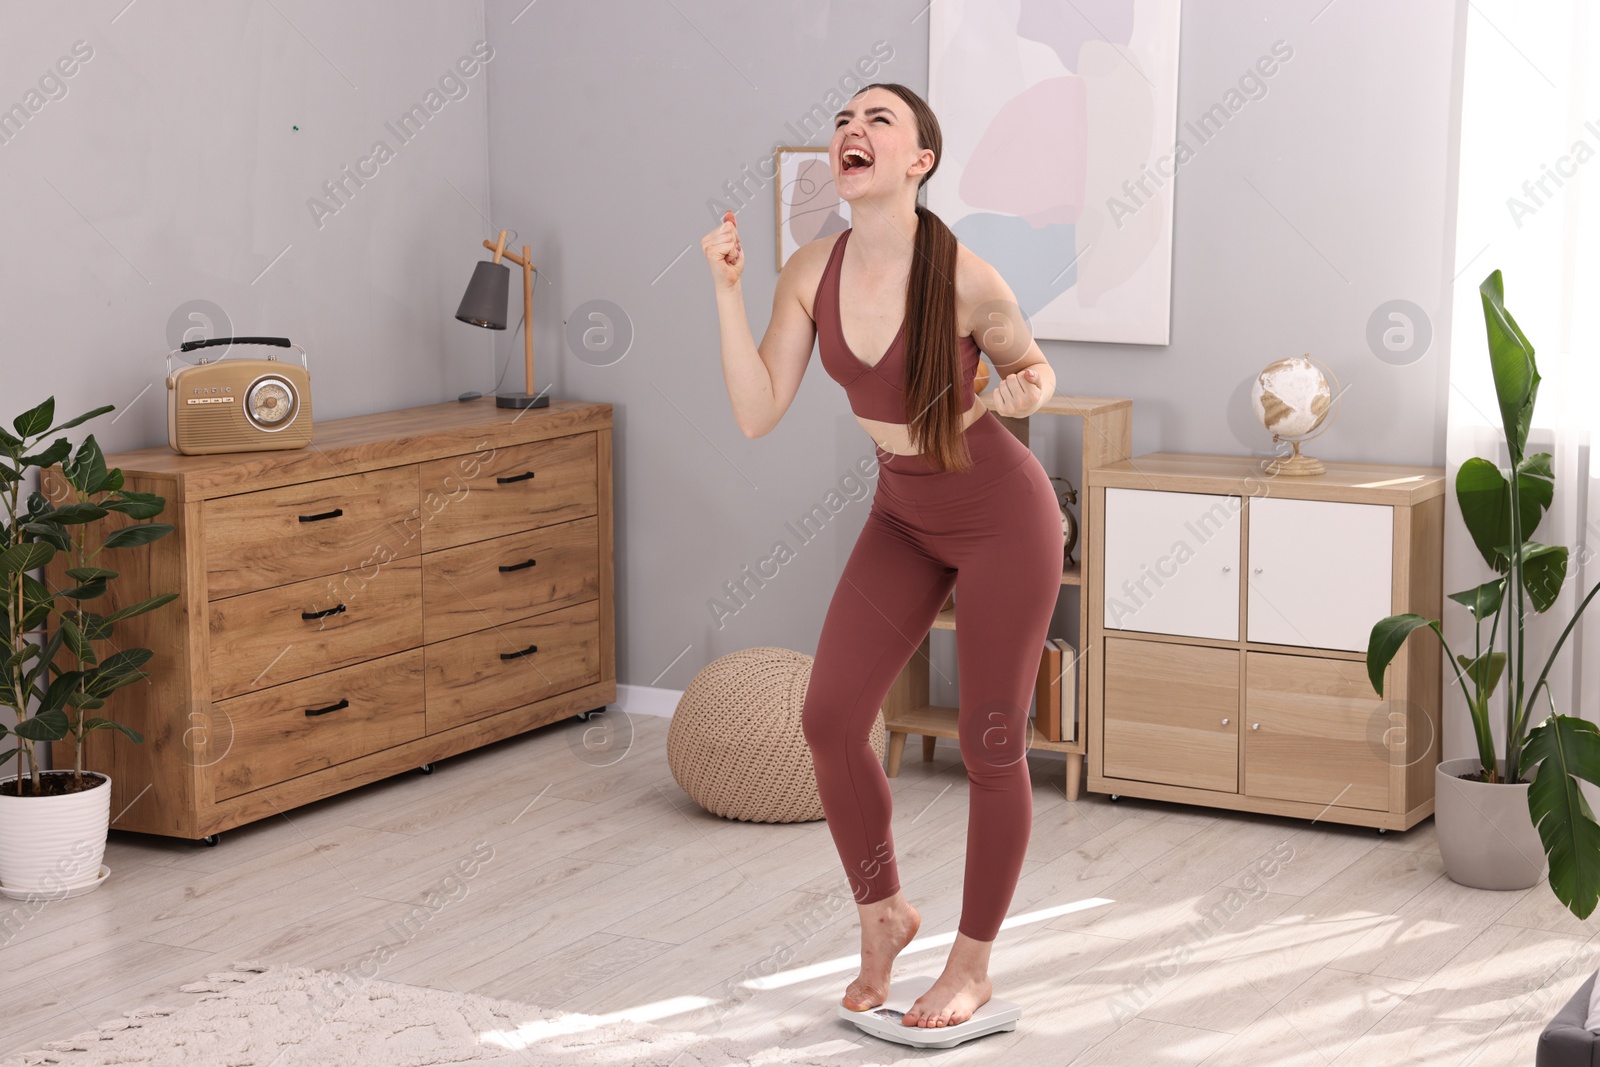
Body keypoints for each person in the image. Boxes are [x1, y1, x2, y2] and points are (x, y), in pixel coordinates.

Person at [700, 82, 1062, 1030]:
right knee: (828, 718)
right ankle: (884, 910)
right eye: (844, 120)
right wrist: (729, 292)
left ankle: (973, 965)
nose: (853, 130)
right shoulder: (809, 270)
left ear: (919, 160)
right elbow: (755, 410)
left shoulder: (967, 277)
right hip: (903, 513)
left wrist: (1021, 394)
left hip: (1000, 517)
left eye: (880, 120)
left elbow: (1034, 368)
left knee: (991, 742)